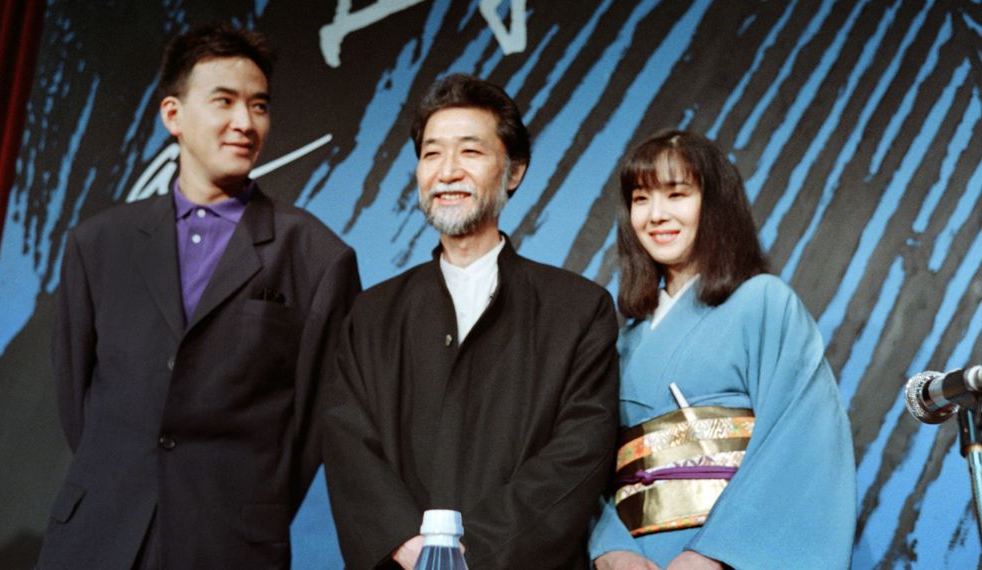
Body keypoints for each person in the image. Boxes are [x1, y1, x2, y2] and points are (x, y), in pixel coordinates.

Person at [37, 23, 361, 569]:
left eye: (259, 106)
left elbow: (315, 427)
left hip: (230, 543)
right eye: (224, 101)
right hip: (96, 536)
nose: (245, 122)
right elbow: (78, 400)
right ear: (173, 116)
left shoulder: (318, 256)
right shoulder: (97, 244)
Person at [324, 73, 619, 569]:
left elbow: (579, 454)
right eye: (432, 153)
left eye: (471, 152)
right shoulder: (372, 315)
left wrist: (471, 552)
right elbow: (347, 442)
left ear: (514, 171)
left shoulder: (577, 309)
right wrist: (410, 546)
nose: (447, 171)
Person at [588, 130, 856, 570]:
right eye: (641, 199)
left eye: (677, 194)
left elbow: (803, 439)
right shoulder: (625, 341)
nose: (656, 215)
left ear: (715, 205)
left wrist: (713, 553)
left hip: (734, 555)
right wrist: (612, 549)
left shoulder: (764, 303)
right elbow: (588, 464)